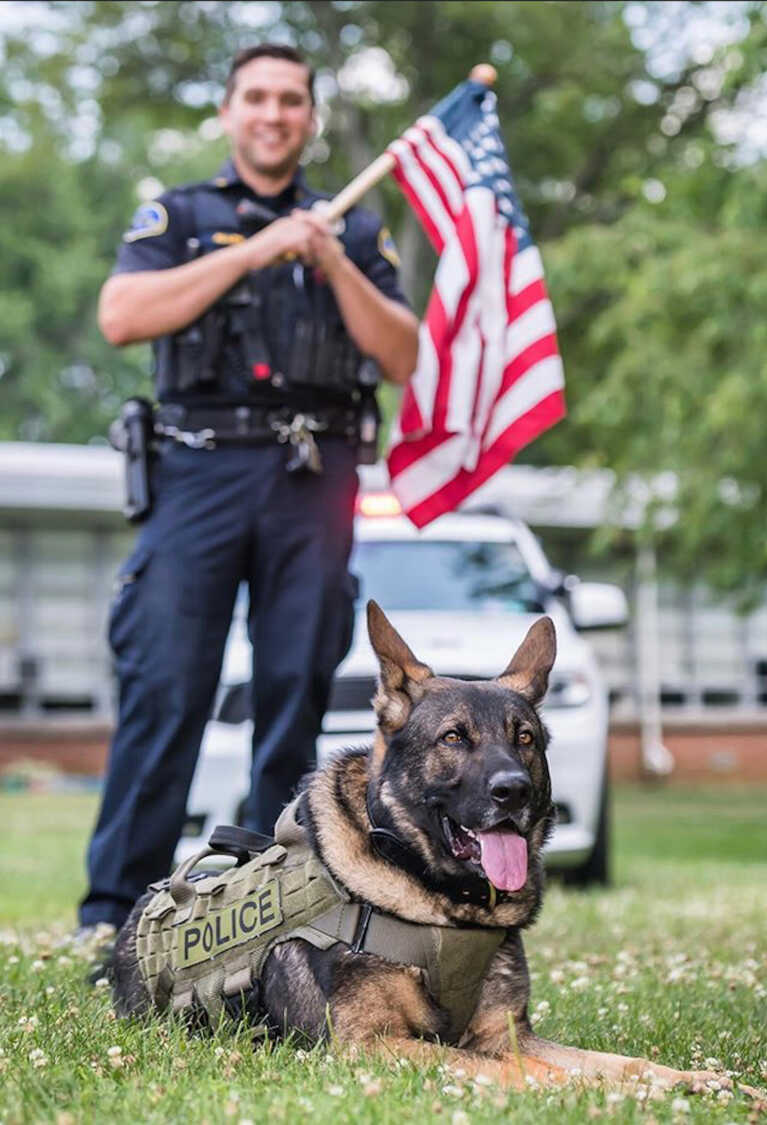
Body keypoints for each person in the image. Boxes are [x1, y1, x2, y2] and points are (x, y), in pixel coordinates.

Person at [78, 43, 418, 934]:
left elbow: (404, 353)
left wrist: (329, 260)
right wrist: (256, 251)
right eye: (257, 98)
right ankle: (115, 910)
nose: (274, 114)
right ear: (229, 112)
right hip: (199, 471)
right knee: (166, 690)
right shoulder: (180, 217)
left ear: (309, 117)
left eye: (292, 100)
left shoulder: (349, 224)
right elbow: (122, 315)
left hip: (315, 477)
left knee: (293, 694)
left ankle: (270, 912)